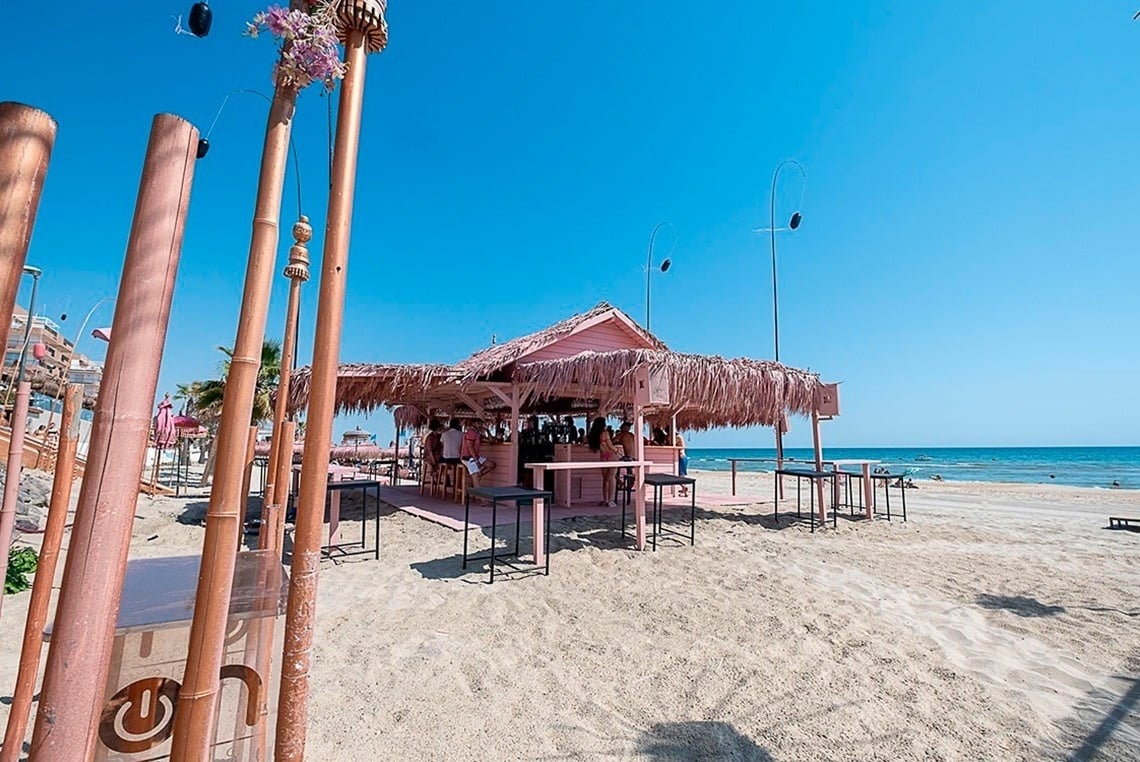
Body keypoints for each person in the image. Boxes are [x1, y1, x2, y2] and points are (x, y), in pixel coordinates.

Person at [587, 416, 619, 507]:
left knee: (605, 480)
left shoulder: (594, 435)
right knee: (611, 479)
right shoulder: (605, 433)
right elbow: (610, 446)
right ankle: (611, 500)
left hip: (603, 456)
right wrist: (616, 450)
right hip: (611, 456)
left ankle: (605, 500)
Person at [461, 420, 497, 485]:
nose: (480, 425)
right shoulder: (471, 432)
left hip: (475, 456)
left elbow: (491, 441)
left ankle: (477, 476)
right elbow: (470, 447)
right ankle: (476, 487)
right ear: (473, 424)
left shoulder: (478, 434)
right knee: (477, 480)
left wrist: (487, 431)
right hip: (468, 457)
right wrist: (476, 460)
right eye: (478, 423)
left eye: (481, 424)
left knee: (491, 465)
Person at [675, 430, 689, 496]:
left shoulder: (678, 437)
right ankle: (684, 490)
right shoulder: (679, 436)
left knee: (679, 475)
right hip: (683, 456)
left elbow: (672, 443)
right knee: (681, 475)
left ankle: (684, 487)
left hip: (681, 457)